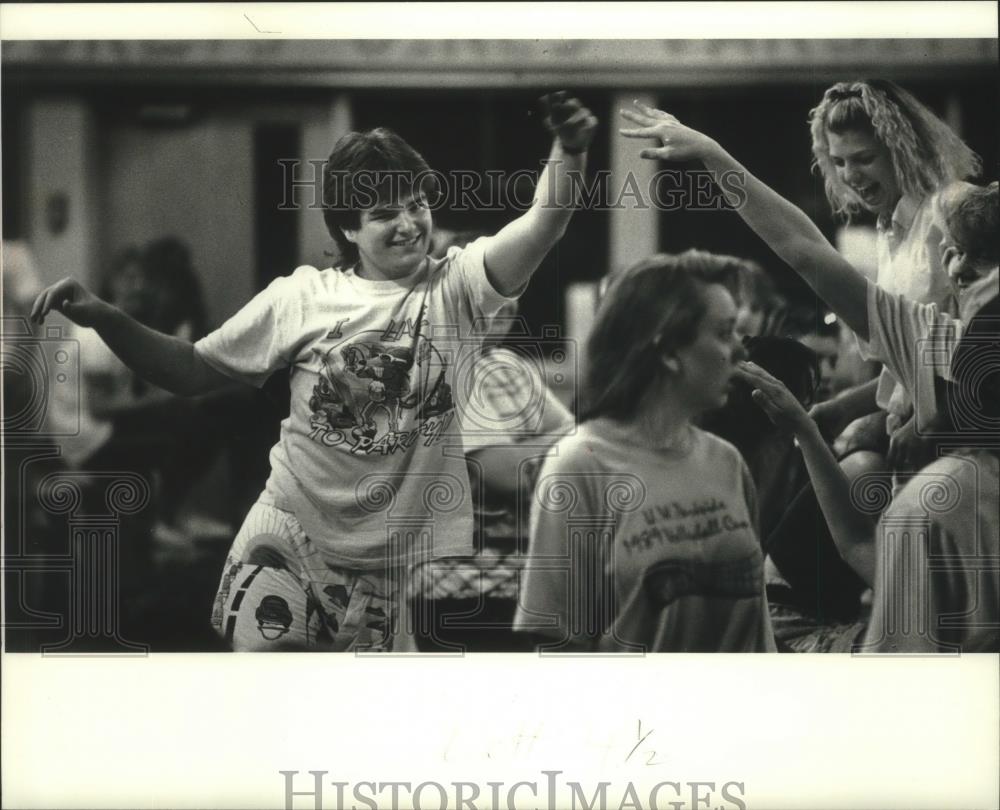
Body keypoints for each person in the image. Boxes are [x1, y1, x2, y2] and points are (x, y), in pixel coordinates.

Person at [31, 92, 598, 652]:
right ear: (348, 229)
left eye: (416, 205)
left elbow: (545, 222)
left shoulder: (458, 286)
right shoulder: (301, 297)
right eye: (382, 214)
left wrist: (569, 150)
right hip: (287, 539)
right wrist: (106, 317)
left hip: (386, 572)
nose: (407, 224)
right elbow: (191, 369)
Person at [620, 105, 998, 652]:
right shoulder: (932, 338)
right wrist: (712, 154)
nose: (960, 273)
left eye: (981, 264)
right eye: (954, 256)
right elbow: (805, 251)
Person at [513, 250, 776, 653]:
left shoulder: (726, 462)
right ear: (669, 351)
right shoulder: (579, 466)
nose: (740, 351)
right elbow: (560, 650)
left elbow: (760, 633)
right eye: (724, 333)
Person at [803, 81, 980, 476]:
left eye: (864, 158)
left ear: (902, 149)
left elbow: (988, 344)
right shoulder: (889, 232)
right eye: (840, 161)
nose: (851, 174)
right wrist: (844, 407)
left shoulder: (955, 208)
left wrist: (931, 422)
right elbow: (909, 364)